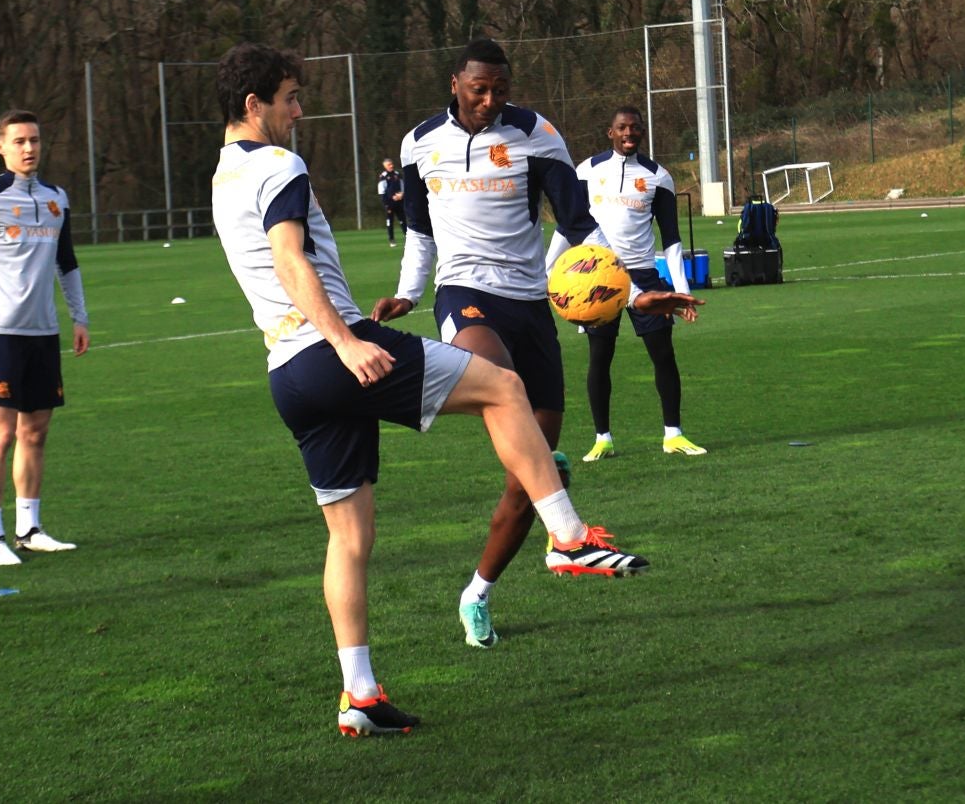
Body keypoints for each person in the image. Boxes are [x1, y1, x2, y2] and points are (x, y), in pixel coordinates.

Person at [211, 42, 691, 736]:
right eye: (289, 96)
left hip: (287, 373)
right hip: (333, 348)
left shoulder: (223, 175)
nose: (298, 109)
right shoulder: (281, 163)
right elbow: (289, 257)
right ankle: (565, 537)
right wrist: (347, 342)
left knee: (349, 539)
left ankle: (361, 696)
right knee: (501, 388)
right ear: (254, 105)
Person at [370, 39, 700, 650]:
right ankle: (571, 535)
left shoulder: (538, 135)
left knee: (526, 479)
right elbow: (418, 230)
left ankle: (478, 593)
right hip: (463, 292)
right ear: (455, 83)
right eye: (479, 89)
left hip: (531, 304)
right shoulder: (419, 144)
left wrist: (634, 296)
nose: (491, 101)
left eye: (500, 89)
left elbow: (581, 227)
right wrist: (408, 294)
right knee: (504, 388)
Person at [0, 110, 90, 566]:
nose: (29, 148)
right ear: (1, 147)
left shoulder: (55, 199)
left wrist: (79, 318)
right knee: (0, 435)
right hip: (0, 336)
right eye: (20, 141)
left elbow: (67, 262)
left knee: (36, 432)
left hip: (43, 335)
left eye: (35, 140)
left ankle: (30, 529)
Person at [547, 106, 705, 462]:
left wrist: (684, 292)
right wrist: (548, 272)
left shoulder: (658, 177)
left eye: (635, 128)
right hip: (596, 281)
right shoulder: (586, 171)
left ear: (642, 133)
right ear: (610, 132)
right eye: (622, 128)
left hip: (644, 276)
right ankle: (603, 438)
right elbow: (567, 226)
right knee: (599, 359)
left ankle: (673, 435)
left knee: (663, 356)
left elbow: (673, 239)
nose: (629, 133)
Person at [377, 157, 406, 246]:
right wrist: (386, 203)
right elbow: (382, 191)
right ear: (385, 166)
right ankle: (391, 240)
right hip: (389, 203)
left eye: (392, 164)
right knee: (390, 221)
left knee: (403, 221)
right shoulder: (383, 176)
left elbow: (402, 187)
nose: (391, 166)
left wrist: (401, 195)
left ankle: (408, 239)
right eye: (389, 165)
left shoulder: (398, 174)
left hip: (399, 202)